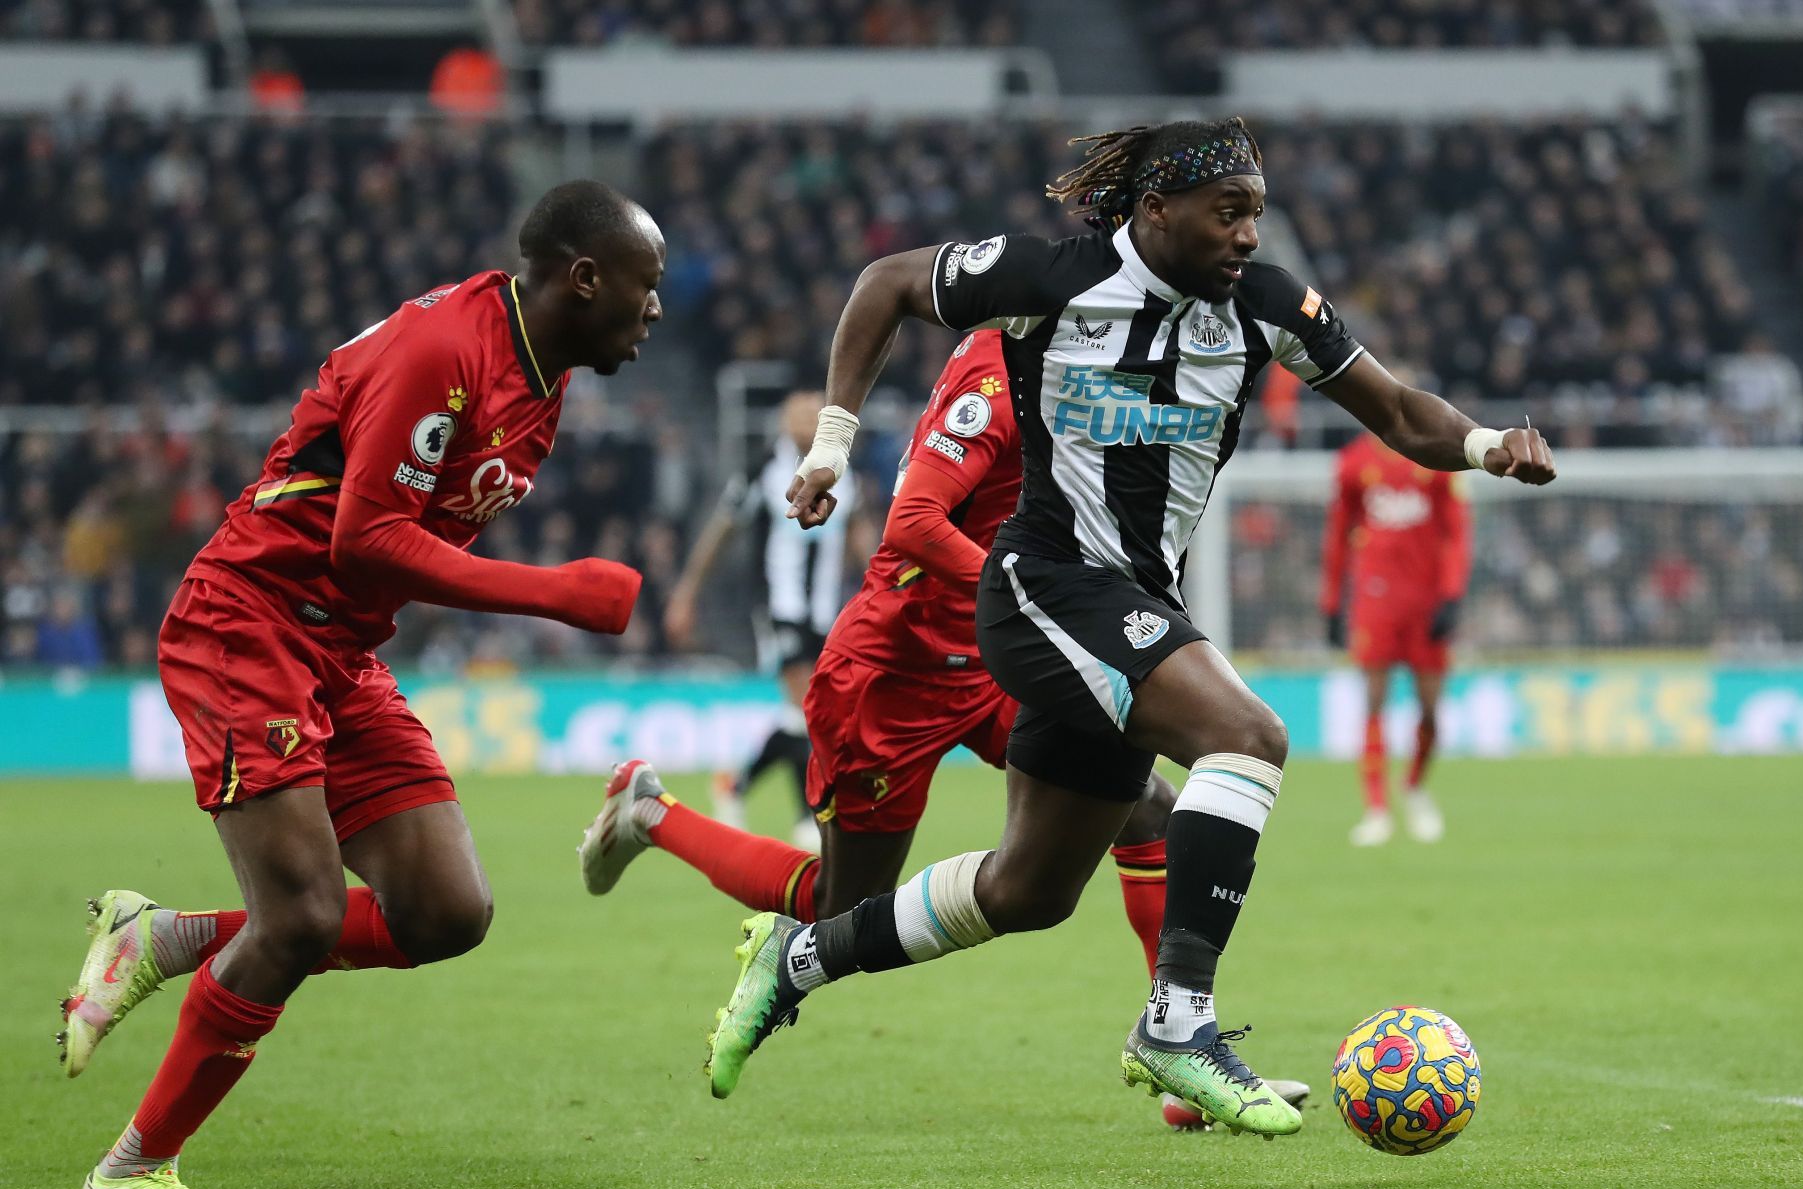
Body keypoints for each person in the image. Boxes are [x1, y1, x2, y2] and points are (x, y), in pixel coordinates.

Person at [704, 117, 1556, 1133]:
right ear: (1156, 210)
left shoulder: (1269, 306)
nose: (1247, 235)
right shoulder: (1053, 283)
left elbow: (1400, 411)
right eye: (1226, 213)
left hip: (1135, 605)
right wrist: (833, 446)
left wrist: (1490, 443)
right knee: (1249, 736)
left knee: (1029, 891)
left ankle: (798, 957)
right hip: (1043, 587)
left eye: (1257, 214)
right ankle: (1177, 1020)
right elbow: (887, 281)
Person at [57, 180, 664, 1189]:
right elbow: (365, 538)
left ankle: (163, 939)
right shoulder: (447, 350)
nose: (657, 308)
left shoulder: (542, 376)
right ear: (585, 277)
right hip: (249, 622)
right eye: (646, 286)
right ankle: (129, 1173)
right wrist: (553, 593)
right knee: (298, 919)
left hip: (339, 651)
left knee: (446, 912)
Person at [579, 329, 1304, 1127]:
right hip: (898, 670)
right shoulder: (999, 366)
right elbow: (912, 523)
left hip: (1010, 658)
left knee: (1147, 809)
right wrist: (1033, 590)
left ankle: (1177, 1046)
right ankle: (651, 815)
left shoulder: (1111, 364)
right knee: (841, 905)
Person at [664, 391, 856, 850]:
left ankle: (736, 784)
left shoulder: (847, 472)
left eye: (813, 413)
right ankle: (807, 817)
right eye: (796, 414)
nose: (805, 422)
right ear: (783, 422)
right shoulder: (764, 468)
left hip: (826, 611)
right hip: (779, 607)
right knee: (806, 703)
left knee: (806, 711)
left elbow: (860, 535)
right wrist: (687, 592)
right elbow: (721, 529)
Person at [1320, 430, 1471, 846]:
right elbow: (1337, 535)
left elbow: (1457, 531)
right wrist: (1332, 603)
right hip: (1375, 599)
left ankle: (1415, 788)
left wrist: (1452, 595)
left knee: (1430, 709)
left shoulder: (1437, 457)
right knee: (1373, 701)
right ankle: (1376, 809)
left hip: (1426, 602)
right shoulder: (1353, 462)